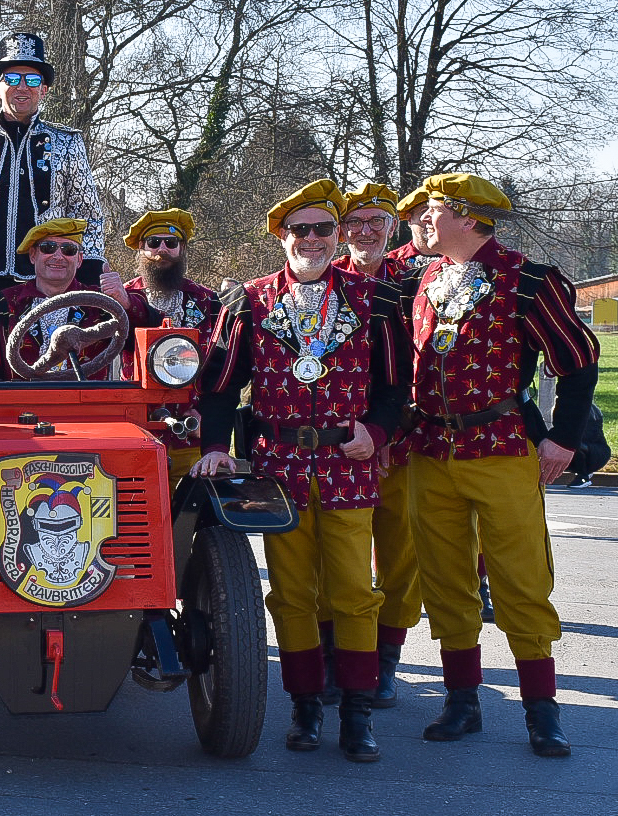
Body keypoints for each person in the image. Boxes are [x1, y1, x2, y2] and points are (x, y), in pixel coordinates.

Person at [192, 179, 411, 763]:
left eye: (323, 229)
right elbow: (220, 387)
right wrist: (215, 445)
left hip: (348, 464)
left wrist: (377, 432)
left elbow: (397, 388)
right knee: (291, 595)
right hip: (278, 467)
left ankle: (358, 714)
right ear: (281, 237)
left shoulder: (376, 300)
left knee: (354, 593)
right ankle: (306, 708)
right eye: (299, 230)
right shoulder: (249, 301)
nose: (312, 239)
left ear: (337, 235)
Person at [403, 173, 599, 757]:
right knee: (444, 577)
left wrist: (563, 439)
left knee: (520, 578)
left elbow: (578, 361)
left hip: (503, 447)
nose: (423, 220)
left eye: (433, 209)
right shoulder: (427, 277)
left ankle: (542, 709)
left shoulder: (529, 280)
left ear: (467, 217)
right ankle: (462, 700)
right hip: (431, 450)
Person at [0, 31, 108, 371]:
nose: (22, 87)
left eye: (32, 79)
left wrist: (88, 269)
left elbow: (89, 214)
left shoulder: (66, 143)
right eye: (12, 78)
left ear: (43, 90)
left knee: (45, 366)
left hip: (46, 279)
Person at [328, 183, 422, 708]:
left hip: (403, 441)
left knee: (399, 555)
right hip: (339, 446)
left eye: (376, 221)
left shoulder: (418, 281)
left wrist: (389, 431)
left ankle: (386, 657)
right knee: (333, 557)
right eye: (355, 221)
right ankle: (331, 655)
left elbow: (426, 366)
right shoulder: (323, 280)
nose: (365, 231)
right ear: (342, 230)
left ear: (392, 227)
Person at [0, 218, 151, 381]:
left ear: (79, 260)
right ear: (33, 255)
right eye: (48, 248)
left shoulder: (102, 304)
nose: (58, 256)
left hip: (88, 406)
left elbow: (151, 342)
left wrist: (126, 302)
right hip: (22, 406)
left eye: (68, 250)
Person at [119, 208, 220, 486]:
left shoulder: (207, 300)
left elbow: (219, 365)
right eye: (153, 243)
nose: (162, 250)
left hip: (191, 433)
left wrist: (206, 413)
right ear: (141, 249)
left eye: (171, 243)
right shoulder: (123, 298)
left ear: (182, 249)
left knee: (191, 504)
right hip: (136, 432)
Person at [565, 403, 609, 488]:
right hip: (593, 450)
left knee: (572, 444)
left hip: (597, 453)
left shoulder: (585, 411)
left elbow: (587, 437)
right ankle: (586, 472)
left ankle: (583, 477)